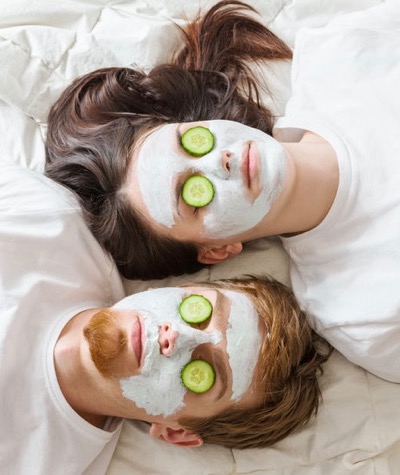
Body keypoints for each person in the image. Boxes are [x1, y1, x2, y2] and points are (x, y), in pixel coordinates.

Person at [44, 0, 400, 384]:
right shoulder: (358, 314)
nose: (220, 162)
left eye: (191, 143)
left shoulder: (339, 56)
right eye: (193, 196)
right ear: (217, 249)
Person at [0, 161, 330, 474]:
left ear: (176, 433)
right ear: (182, 287)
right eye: (200, 311)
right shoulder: (45, 220)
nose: (177, 337)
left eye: (205, 373)